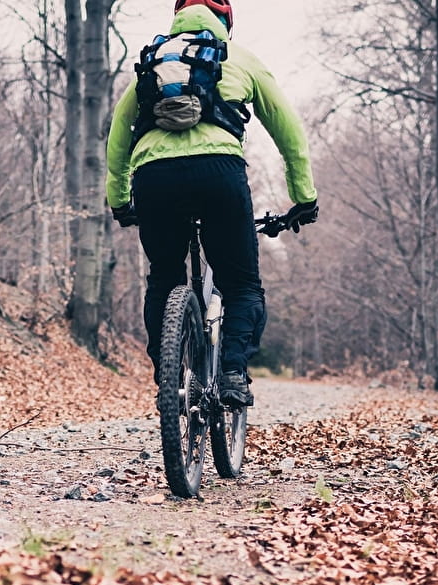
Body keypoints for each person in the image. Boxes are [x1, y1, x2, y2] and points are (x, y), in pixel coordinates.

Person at [106, 0, 317, 408]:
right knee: (242, 285)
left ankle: (167, 381)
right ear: (227, 22)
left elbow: (119, 135)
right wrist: (303, 198)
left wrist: (120, 199)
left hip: (154, 178)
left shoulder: (154, 61)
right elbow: (288, 129)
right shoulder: (238, 58)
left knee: (164, 278)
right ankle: (233, 373)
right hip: (218, 174)